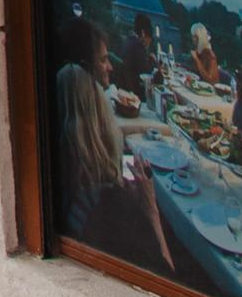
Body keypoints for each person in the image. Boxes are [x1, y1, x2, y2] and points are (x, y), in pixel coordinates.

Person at [55, 61, 178, 276]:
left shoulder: (65, 185)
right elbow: (167, 276)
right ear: (102, 128)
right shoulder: (110, 207)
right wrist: (150, 209)